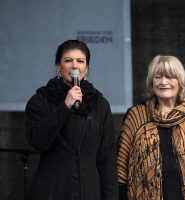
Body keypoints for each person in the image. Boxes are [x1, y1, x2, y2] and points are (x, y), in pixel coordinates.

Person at [117, 55, 185, 200]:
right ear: (152, 82)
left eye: (170, 77)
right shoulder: (136, 116)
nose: (163, 82)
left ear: (180, 82)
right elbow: (120, 169)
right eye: (158, 77)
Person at [25, 40, 118, 200]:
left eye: (80, 61)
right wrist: (65, 106)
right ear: (58, 67)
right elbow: (38, 141)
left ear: (86, 68)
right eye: (68, 60)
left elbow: (107, 158)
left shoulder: (99, 104)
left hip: (88, 191)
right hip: (52, 189)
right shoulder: (41, 100)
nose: (74, 66)